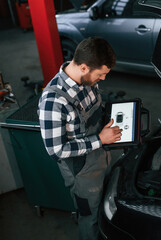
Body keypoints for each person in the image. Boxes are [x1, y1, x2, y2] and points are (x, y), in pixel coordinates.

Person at [38, 37, 122, 240]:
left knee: (106, 204)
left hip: (102, 155)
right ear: (84, 67)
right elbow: (56, 150)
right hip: (82, 172)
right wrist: (100, 140)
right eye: (100, 74)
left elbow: (96, 112)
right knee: (89, 217)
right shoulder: (53, 102)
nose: (102, 79)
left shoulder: (87, 81)